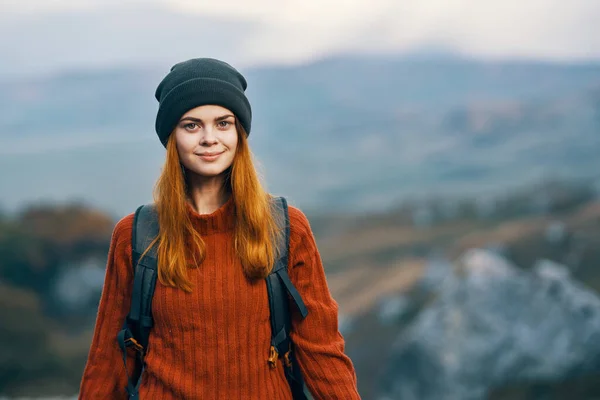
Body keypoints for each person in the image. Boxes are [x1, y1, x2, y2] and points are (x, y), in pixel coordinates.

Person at [78, 58, 361, 399]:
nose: (209, 139)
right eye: (192, 125)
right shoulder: (135, 235)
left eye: (223, 123)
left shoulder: (286, 229)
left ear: (239, 134)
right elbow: (108, 360)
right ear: (172, 137)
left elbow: (321, 350)